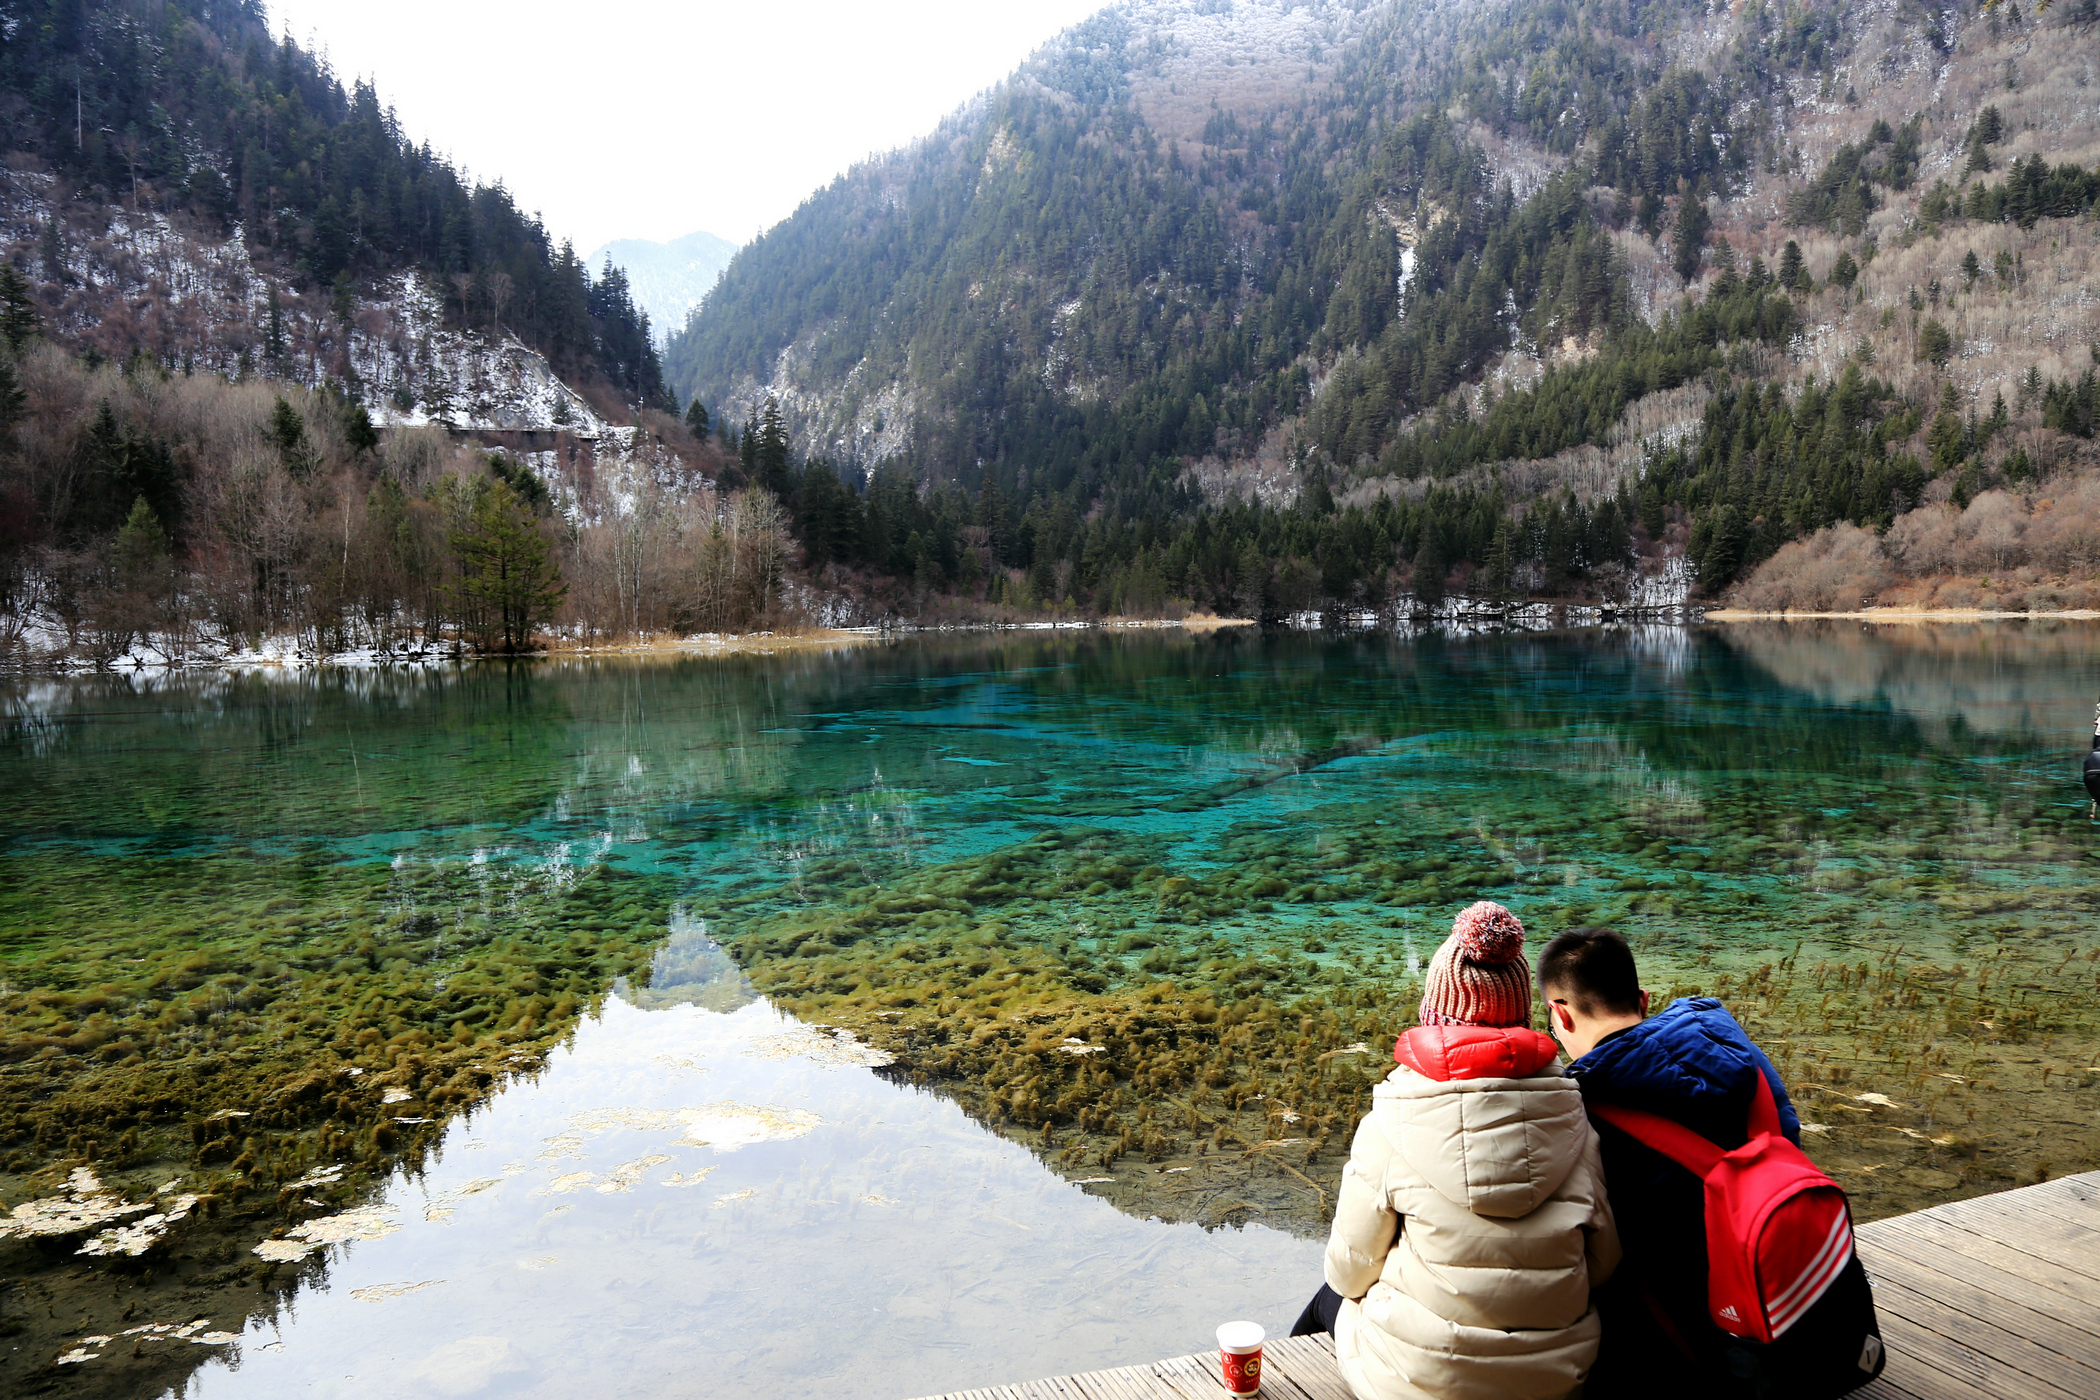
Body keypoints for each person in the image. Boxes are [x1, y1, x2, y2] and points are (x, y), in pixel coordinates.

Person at [1292, 901, 1619, 1400]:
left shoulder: (1390, 1120)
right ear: (1522, 1017)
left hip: (1422, 1385)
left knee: (1327, 1300)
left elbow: (1349, 1271)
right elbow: (1602, 1264)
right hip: (1555, 1378)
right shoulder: (1576, 1117)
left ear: (1433, 1016)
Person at [1537, 927, 1816, 1395]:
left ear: (1559, 1015)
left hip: (1701, 1339)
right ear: (1643, 1000)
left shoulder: (1584, 1110)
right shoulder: (1739, 1051)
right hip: (1800, 1293)